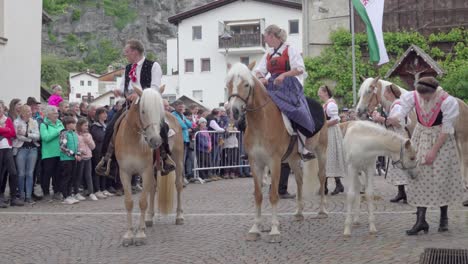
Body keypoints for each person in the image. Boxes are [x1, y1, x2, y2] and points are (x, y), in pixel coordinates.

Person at [387, 76, 464, 235]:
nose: (423, 99)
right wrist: (396, 119)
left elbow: (446, 129)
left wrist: (434, 150)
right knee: (418, 177)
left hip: (441, 140)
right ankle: (421, 220)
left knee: (442, 178)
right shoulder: (413, 96)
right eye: (420, 96)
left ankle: (444, 217)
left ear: (434, 92)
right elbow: (403, 114)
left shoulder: (447, 101)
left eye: (426, 96)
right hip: (420, 136)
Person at [96, 39, 175, 176]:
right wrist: (119, 92)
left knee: (163, 127)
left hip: (148, 104)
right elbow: (124, 88)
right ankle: (106, 159)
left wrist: (138, 95)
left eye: (127, 52)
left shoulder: (153, 65)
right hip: (130, 106)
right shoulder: (128, 68)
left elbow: (155, 88)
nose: (125, 55)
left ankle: (164, 157)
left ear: (135, 51)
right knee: (110, 127)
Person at [253, 24, 315, 160]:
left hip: (289, 85)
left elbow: (300, 69)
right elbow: (258, 70)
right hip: (272, 84)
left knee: (297, 111)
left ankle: (303, 147)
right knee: (255, 107)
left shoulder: (290, 49)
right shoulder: (268, 53)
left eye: (265, 37)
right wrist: (261, 78)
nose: (265, 40)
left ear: (272, 36)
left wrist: (284, 75)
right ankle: (254, 145)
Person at [372, 84, 409, 203]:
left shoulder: (398, 105)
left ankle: (404, 193)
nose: (384, 95)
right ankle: (401, 192)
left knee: (400, 163)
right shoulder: (395, 105)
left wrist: (380, 119)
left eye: (386, 92)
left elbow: (398, 122)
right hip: (396, 136)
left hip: (398, 137)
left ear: (391, 93)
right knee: (396, 164)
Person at [318, 85, 346, 195]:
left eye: (320, 92)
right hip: (327, 132)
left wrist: (323, 124)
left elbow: (335, 119)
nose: (318, 94)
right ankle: (327, 186)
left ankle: (334, 185)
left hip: (331, 132)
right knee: (326, 158)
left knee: (331, 157)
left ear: (325, 92)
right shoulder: (327, 104)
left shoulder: (331, 104)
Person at [13, 105, 40, 204]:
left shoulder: (34, 122)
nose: (30, 112)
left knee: (30, 173)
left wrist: (26, 134)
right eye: (28, 111)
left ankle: (28, 196)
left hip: (33, 149)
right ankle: (21, 195)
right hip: (21, 149)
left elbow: (38, 136)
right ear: (23, 113)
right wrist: (29, 138)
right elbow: (17, 136)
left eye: (30, 111)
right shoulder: (16, 122)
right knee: (21, 174)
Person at [0, 101, 24, 207]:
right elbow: (8, 131)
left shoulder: (7, 119)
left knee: (13, 172)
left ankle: (13, 197)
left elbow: (13, 133)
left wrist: (3, 130)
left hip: (8, 148)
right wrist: (6, 130)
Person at [40, 105, 65, 200]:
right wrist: (58, 132)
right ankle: (46, 192)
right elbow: (45, 138)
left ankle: (57, 191)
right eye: (54, 113)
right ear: (48, 114)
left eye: (57, 113)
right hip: (48, 154)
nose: (56, 115)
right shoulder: (44, 124)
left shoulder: (60, 123)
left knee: (58, 174)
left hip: (60, 153)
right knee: (47, 174)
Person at [59, 116, 81, 205]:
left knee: (72, 177)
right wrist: (73, 154)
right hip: (66, 159)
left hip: (73, 159)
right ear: (68, 125)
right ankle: (65, 196)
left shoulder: (74, 134)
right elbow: (62, 147)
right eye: (73, 123)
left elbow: (77, 146)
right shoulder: (64, 133)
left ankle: (69, 194)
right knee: (66, 177)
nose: (75, 125)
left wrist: (78, 154)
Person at [90, 108, 110, 199]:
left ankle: (103, 188)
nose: (105, 115)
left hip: (105, 151)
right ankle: (97, 189)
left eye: (106, 113)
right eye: (103, 113)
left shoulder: (105, 125)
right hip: (97, 151)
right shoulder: (95, 126)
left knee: (104, 170)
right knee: (97, 170)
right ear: (98, 115)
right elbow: (101, 137)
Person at [26, 96, 44, 200]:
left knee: (34, 171)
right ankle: (25, 192)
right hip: (28, 146)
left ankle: (31, 191)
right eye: (33, 104)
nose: (36, 106)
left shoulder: (39, 118)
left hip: (38, 146)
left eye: (36, 104)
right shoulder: (26, 117)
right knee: (27, 171)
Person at [75, 118, 97, 201]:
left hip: (88, 157)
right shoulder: (76, 135)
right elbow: (75, 147)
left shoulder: (88, 135)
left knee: (88, 175)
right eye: (85, 125)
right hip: (80, 158)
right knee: (79, 176)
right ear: (80, 126)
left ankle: (91, 192)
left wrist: (88, 141)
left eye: (87, 125)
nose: (87, 127)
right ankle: (77, 192)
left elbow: (93, 147)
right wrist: (80, 151)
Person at [172, 100, 193, 178]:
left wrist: (185, 123)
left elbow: (190, 124)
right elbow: (182, 126)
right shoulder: (173, 114)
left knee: (183, 160)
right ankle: (179, 177)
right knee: (179, 160)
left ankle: (181, 176)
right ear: (175, 106)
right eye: (179, 106)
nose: (181, 108)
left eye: (182, 106)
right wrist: (185, 124)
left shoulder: (182, 115)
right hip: (178, 140)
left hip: (185, 140)